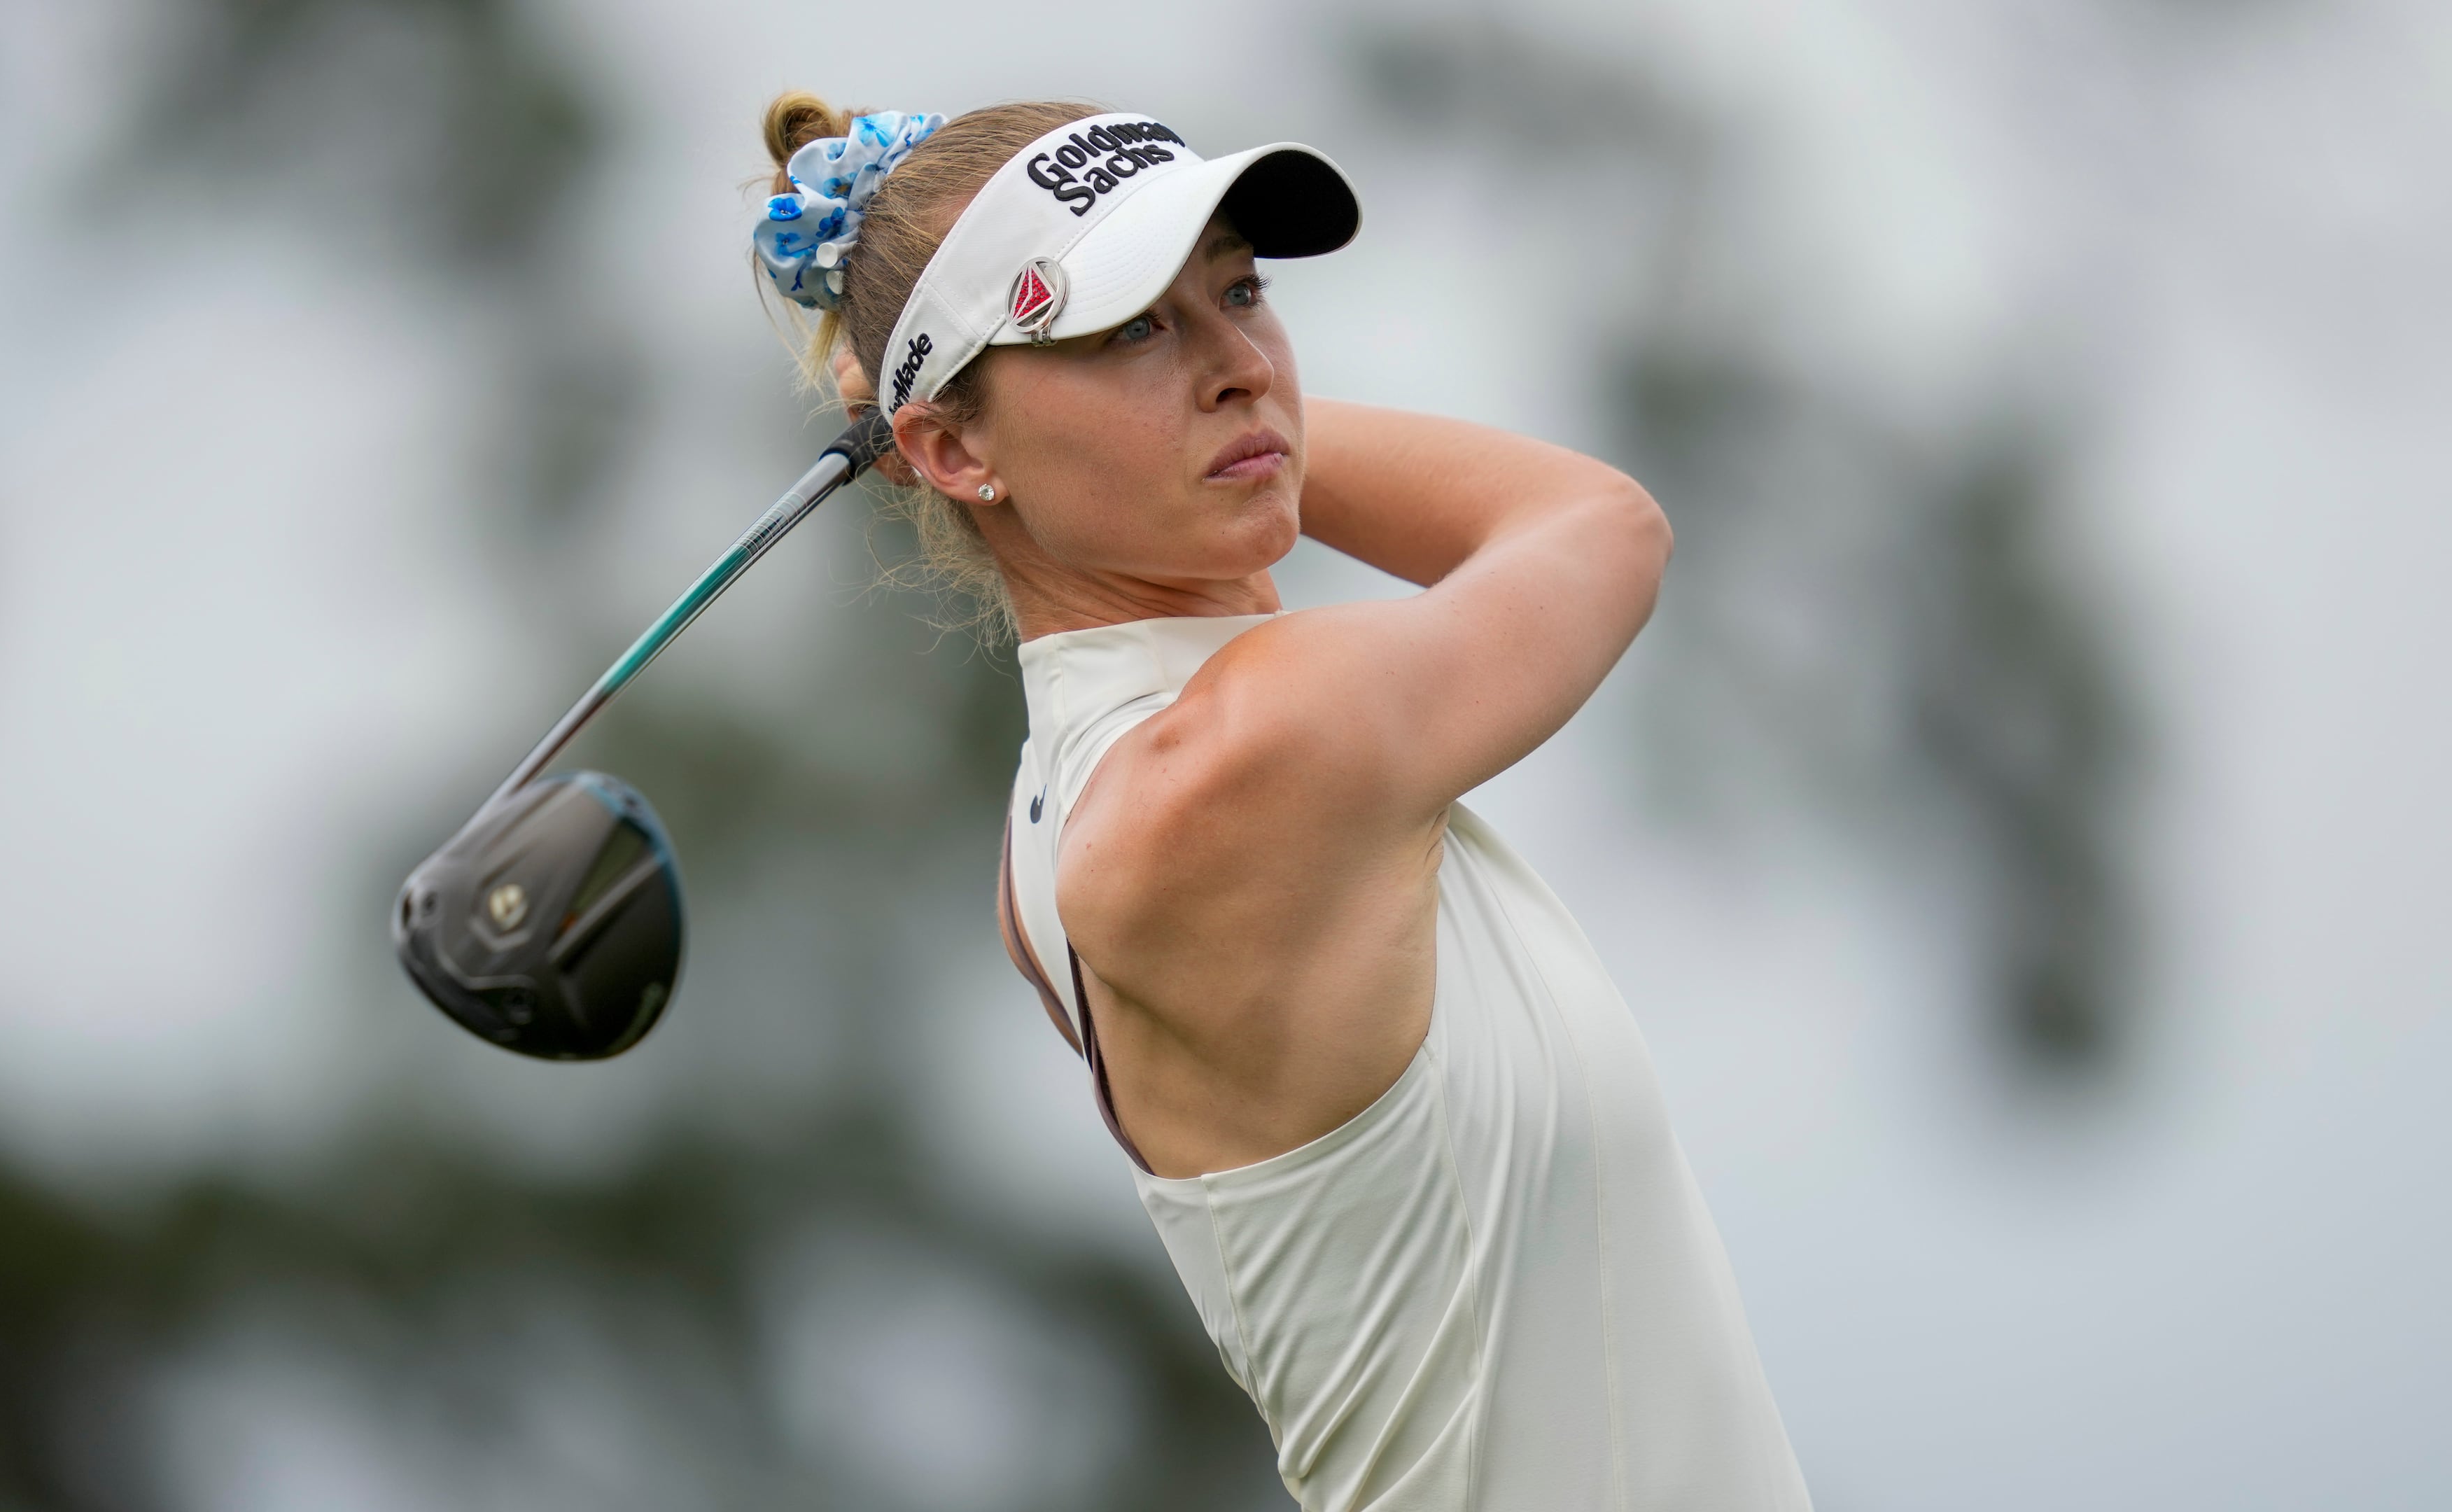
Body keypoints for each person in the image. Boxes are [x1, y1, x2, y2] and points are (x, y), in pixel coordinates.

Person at [753, 93, 1812, 1511]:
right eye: (1131, 328)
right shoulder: (1250, 754)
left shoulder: (1065, 805)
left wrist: (1147, 418)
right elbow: (1600, 526)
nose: (1245, 368)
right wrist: (1238, 431)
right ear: (948, 453)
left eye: (1240, 293)